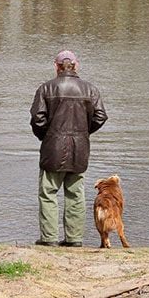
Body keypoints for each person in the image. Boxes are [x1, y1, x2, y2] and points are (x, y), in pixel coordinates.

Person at [30, 50, 108, 247]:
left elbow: (37, 119)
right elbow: (100, 116)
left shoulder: (46, 88)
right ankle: (74, 239)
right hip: (79, 149)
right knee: (75, 194)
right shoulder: (90, 89)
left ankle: (49, 239)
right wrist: (83, 132)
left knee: (48, 194)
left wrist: (47, 137)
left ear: (56, 67)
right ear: (76, 65)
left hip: (52, 149)